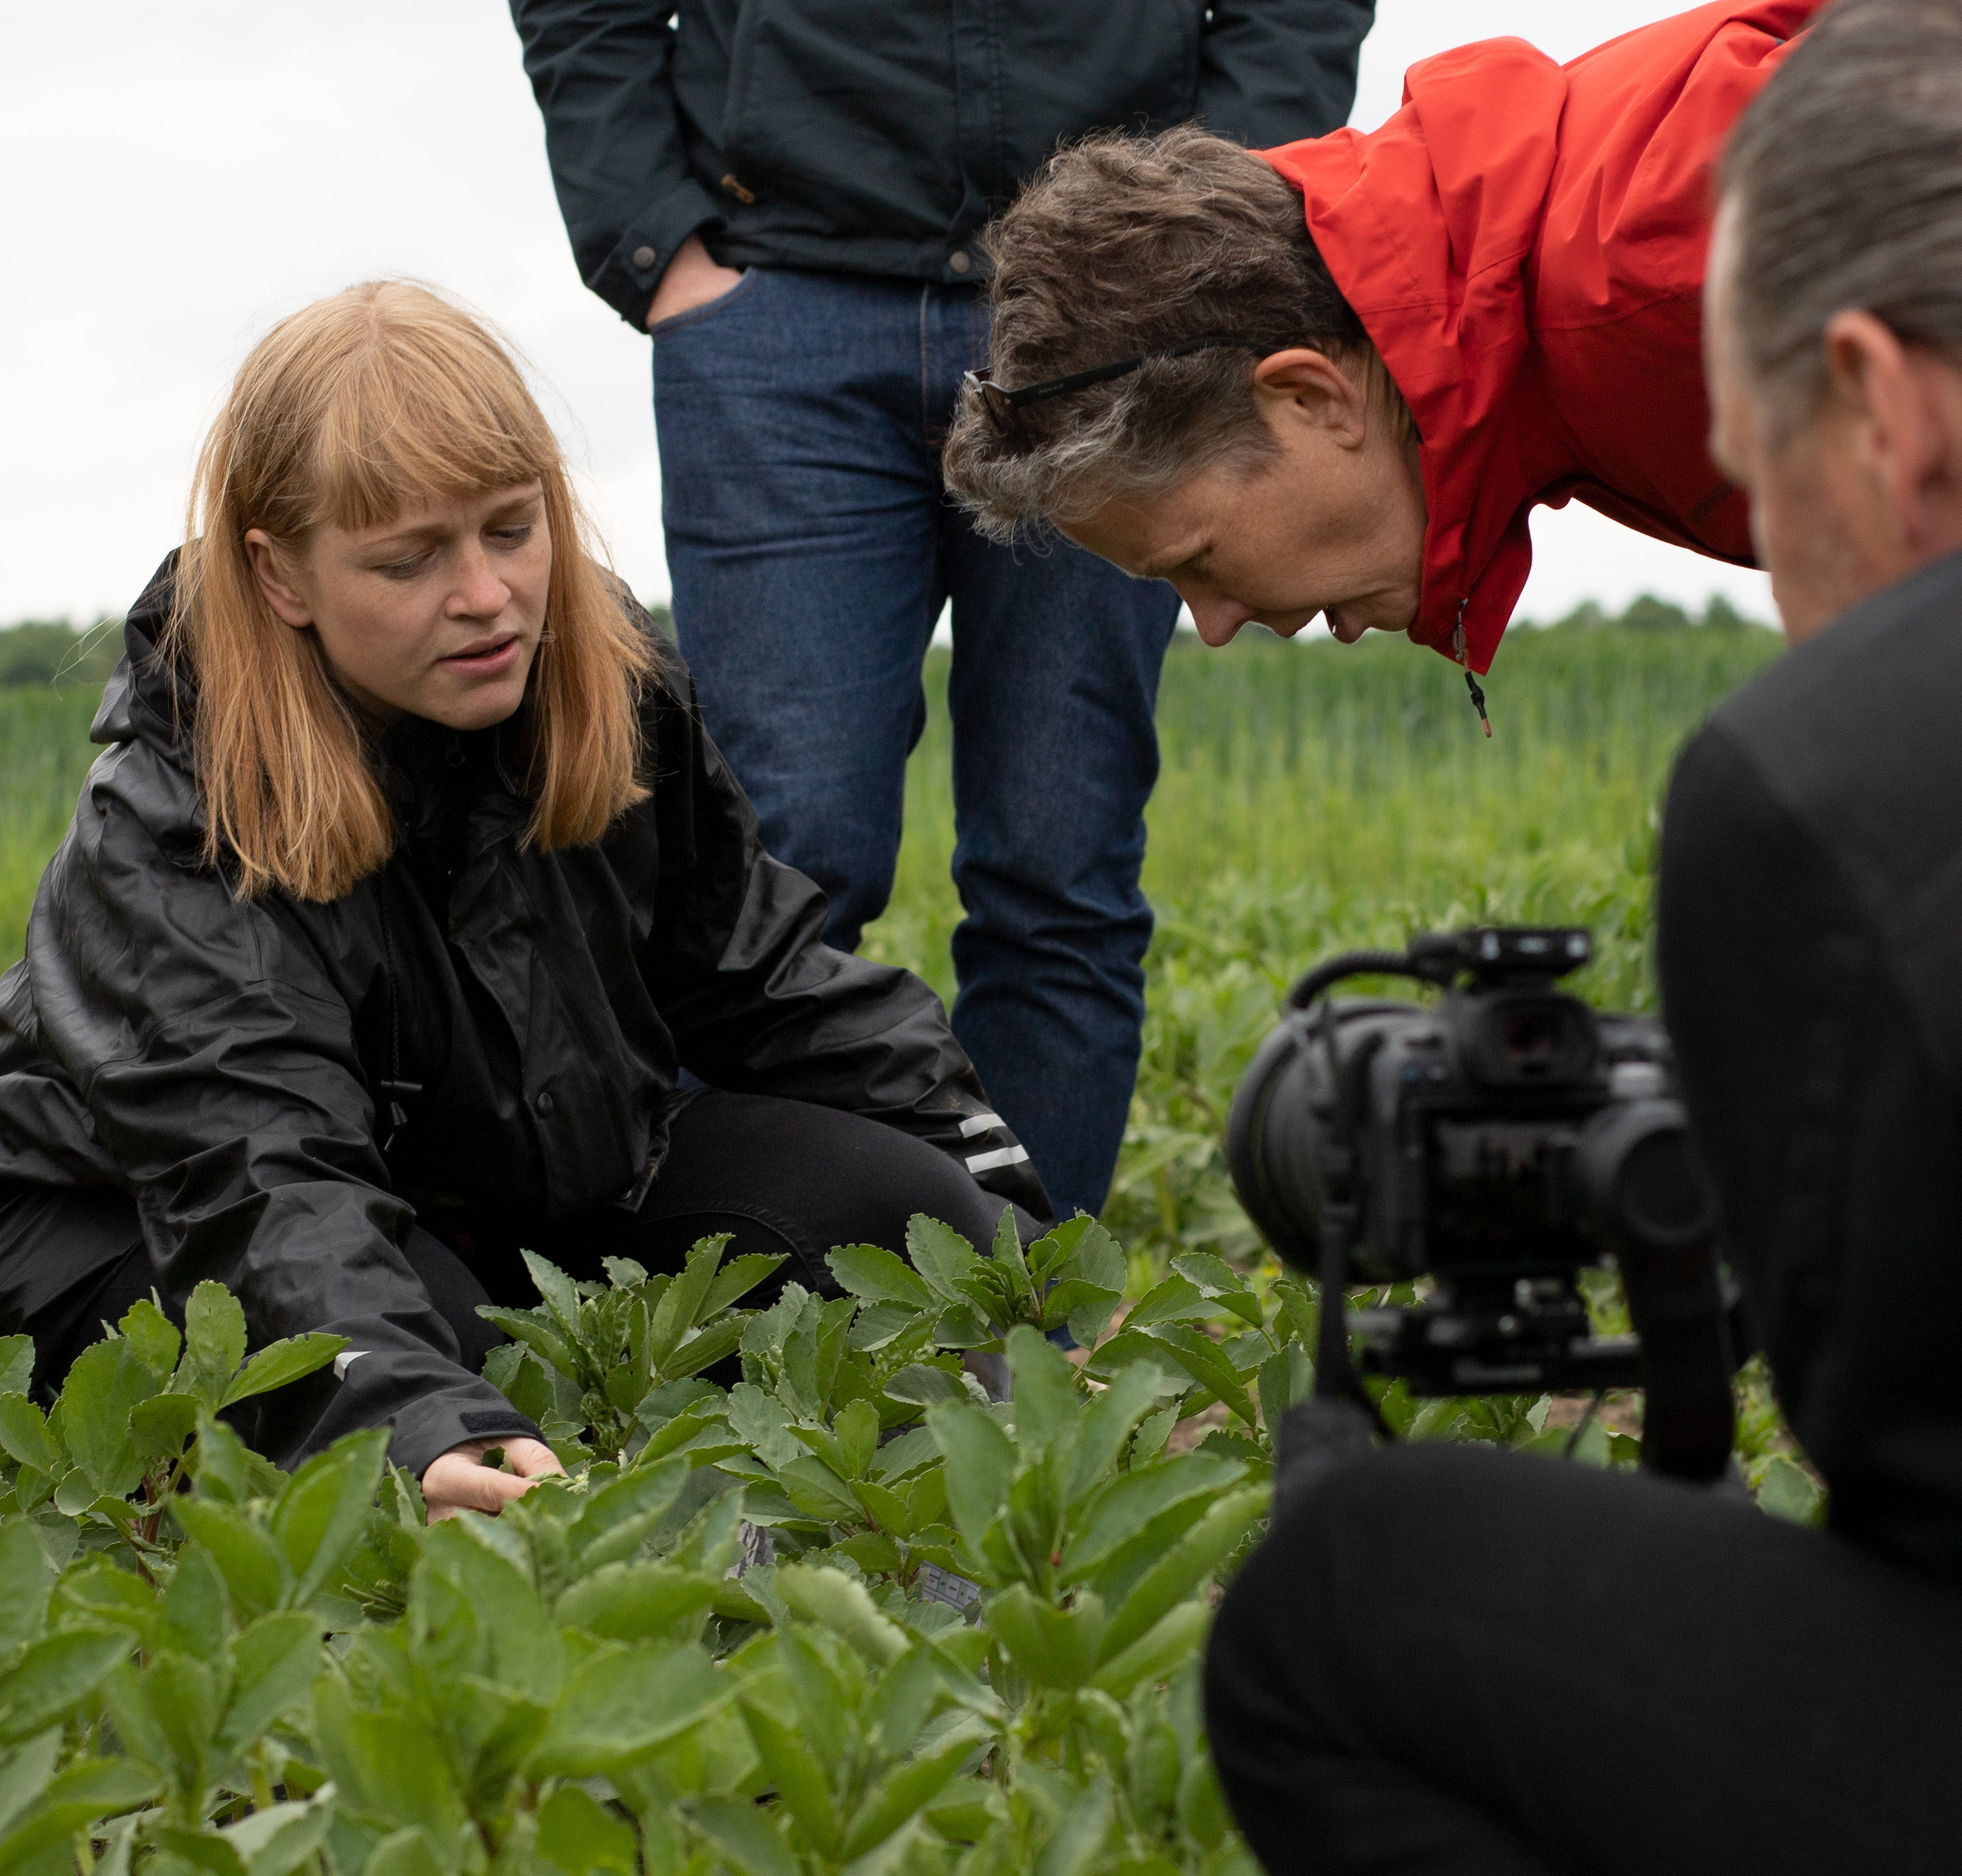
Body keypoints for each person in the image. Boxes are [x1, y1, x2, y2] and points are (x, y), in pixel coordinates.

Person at [1199, 0, 1962, 1870]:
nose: (1778, 580)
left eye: (1756, 487)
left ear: (1879, 399)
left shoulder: (1852, 765)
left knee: (1353, 1601)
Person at [0, 283, 1049, 1520]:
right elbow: (258, 1177)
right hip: (99, 1217)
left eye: (510, 530)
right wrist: (406, 1414)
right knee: (447, 1375)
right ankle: (47, 1446)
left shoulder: (601, 678)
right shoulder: (179, 822)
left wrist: (1000, 1206)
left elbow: (761, 979)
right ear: (281, 574)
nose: (484, 596)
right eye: (408, 559)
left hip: (452, 1186)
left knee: (914, 1221)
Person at [506, 0, 1373, 1223]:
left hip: (1116, 296)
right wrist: (653, 236)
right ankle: (734, 1331)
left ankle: (1014, 1331)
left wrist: (1209, 227)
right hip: (776, 295)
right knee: (765, 870)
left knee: (1060, 867)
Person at [938, 0, 1962, 688]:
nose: (1218, 627)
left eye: (1194, 562)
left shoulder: (1659, 274)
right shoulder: (1534, 295)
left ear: (1307, 393)